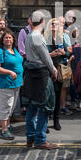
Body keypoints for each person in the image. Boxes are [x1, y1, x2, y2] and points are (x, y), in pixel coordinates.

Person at [22, 11, 58, 150]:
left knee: (31, 107)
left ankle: (30, 137)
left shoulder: (29, 35)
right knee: (44, 107)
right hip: (41, 74)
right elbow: (45, 57)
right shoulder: (38, 36)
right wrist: (53, 69)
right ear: (43, 21)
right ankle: (40, 140)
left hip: (31, 73)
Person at [0, 29, 24, 140]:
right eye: (6, 38)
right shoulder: (0, 51)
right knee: (4, 107)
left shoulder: (15, 50)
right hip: (5, 84)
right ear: (2, 40)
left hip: (16, 84)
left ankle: (8, 126)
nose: (8, 39)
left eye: (10, 37)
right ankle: (4, 130)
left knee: (11, 107)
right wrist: (10, 72)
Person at [44, 18, 71, 130]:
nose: (54, 25)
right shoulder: (45, 38)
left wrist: (64, 52)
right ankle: (44, 122)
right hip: (48, 70)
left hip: (59, 69)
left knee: (58, 94)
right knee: (46, 96)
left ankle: (56, 120)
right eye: (52, 24)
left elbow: (69, 52)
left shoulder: (61, 37)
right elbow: (42, 54)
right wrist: (51, 54)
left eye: (56, 24)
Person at [57, 16, 73, 116]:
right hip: (56, 63)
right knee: (56, 87)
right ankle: (56, 107)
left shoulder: (66, 36)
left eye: (63, 23)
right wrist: (66, 51)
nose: (62, 25)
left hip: (65, 63)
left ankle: (63, 106)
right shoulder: (51, 35)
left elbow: (70, 50)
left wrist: (65, 51)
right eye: (60, 23)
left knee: (64, 87)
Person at [69, 26, 81, 111]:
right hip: (72, 64)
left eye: (77, 31)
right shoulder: (70, 41)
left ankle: (80, 101)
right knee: (73, 83)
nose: (76, 32)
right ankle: (73, 101)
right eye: (74, 31)